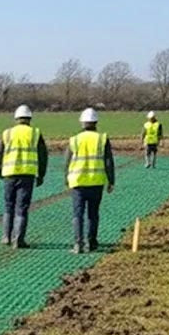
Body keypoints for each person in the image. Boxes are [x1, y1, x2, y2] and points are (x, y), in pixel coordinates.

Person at [0, 105, 49, 249]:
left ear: (16, 119)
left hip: (9, 174)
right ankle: (18, 240)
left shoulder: (7, 133)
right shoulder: (35, 133)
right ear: (29, 119)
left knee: (8, 205)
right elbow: (43, 155)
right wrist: (41, 175)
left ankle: (6, 237)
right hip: (27, 175)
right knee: (22, 207)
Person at [65, 108, 115, 254]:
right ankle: (91, 243)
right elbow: (108, 162)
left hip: (78, 182)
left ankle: (78, 244)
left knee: (77, 214)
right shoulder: (102, 139)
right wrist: (111, 181)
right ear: (96, 123)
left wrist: (66, 179)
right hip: (96, 182)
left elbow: (67, 163)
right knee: (93, 214)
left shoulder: (74, 140)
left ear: (82, 123)